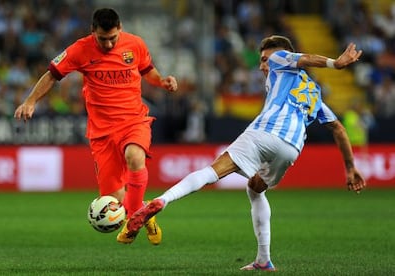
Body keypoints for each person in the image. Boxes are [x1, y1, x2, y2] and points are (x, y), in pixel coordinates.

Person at [125, 35, 366, 270]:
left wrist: (336, 64)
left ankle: (161, 200)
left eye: (264, 59)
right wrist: (351, 168)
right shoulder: (314, 94)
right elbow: (338, 129)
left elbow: (305, 58)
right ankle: (264, 260)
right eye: (262, 60)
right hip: (291, 148)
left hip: (264, 132)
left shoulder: (280, 58)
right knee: (255, 187)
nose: (262, 65)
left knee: (212, 171)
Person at [14, 8, 178, 245]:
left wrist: (162, 81)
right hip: (102, 131)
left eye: (113, 38)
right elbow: (52, 74)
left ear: (120, 29)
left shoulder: (135, 44)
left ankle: (133, 222)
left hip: (133, 120)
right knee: (114, 197)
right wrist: (30, 100)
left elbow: (147, 71)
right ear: (93, 32)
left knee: (135, 156)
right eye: (103, 39)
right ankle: (144, 213)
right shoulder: (80, 50)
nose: (110, 44)